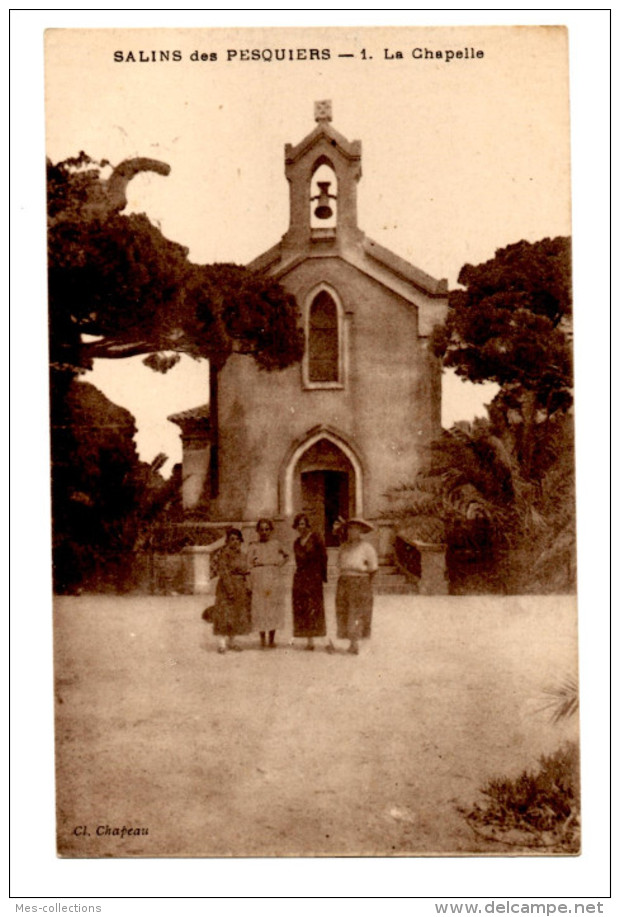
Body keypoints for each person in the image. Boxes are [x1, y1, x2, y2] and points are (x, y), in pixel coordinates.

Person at [334, 518, 378, 655]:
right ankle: (352, 643)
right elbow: (339, 565)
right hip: (344, 581)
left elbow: (373, 568)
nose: (351, 532)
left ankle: (357, 643)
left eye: (355, 529)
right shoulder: (343, 547)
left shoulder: (366, 547)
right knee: (344, 611)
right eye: (349, 529)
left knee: (358, 612)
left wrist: (365, 583)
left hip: (360, 581)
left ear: (360, 531)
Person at [248, 519, 289, 648]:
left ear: (271, 530)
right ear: (257, 531)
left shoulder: (276, 544)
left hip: (273, 576)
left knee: (272, 607)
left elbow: (287, 556)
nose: (264, 532)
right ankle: (262, 639)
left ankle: (271, 639)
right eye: (262, 529)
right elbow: (248, 563)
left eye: (267, 529)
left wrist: (279, 564)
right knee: (260, 608)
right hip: (259, 577)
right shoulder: (253, 545)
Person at [212, 528, 252, 654]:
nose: (235, 542)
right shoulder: (224, 554)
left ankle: (232, 641)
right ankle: (222, 643)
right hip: (226, 587)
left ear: (241, 540)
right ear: (227, 541)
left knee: (236, 614)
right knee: (224, 614)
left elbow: (246, 570)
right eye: (232, 539)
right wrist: (230, 589)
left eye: (237, 539)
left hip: (240, 586)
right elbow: (223, 572)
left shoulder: (243, 555)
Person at [291, 513, 328, 651]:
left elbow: (324, 556)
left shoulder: (316, 538)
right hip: (300, 577)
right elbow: (297, 560)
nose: (301, 527)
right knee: (302, 606)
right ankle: (308, 639)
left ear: (307, 525)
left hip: (313, 576)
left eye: (303, 524)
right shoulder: (296, 542)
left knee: (314, 606)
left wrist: (322, 575)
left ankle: (314, 637)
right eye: (299, 524)